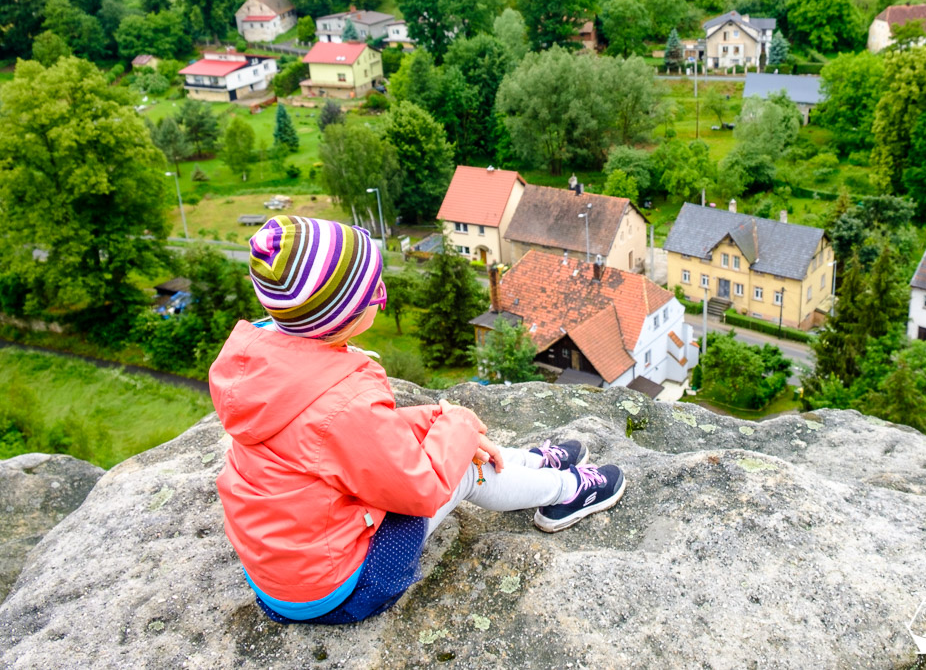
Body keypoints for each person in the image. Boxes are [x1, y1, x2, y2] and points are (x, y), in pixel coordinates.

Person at [209, 216, 625, 625]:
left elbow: (337, 440)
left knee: (446, 442)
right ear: (346, 314)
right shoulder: (344, 404)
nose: (381, 294)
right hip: (344, 589)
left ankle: (529, 465)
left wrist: (433, 419)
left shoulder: (266, 366)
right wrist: (457, 423)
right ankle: (566, 491)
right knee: (462, 468)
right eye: (375, 290)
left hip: (282, 577)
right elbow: (423, 487)